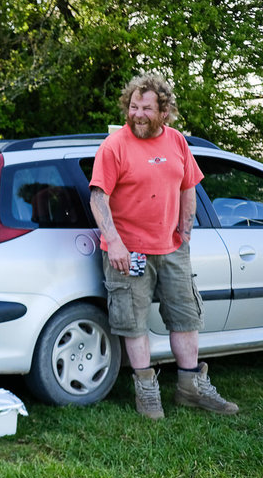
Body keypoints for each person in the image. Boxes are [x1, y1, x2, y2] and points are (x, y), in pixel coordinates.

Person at [90, 73, 238, 419]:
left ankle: (190, 388)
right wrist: (114, 243)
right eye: (133, 106)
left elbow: (189, 186)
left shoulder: (177, 142)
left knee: (186, 317)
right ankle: (146, 394)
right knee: (133, 321)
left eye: (146, 108)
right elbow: (98, 197)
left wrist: (185, 232)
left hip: (172, 248)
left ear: (165, 112)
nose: (138, 114)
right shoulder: (114, 146)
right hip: (128, 251)